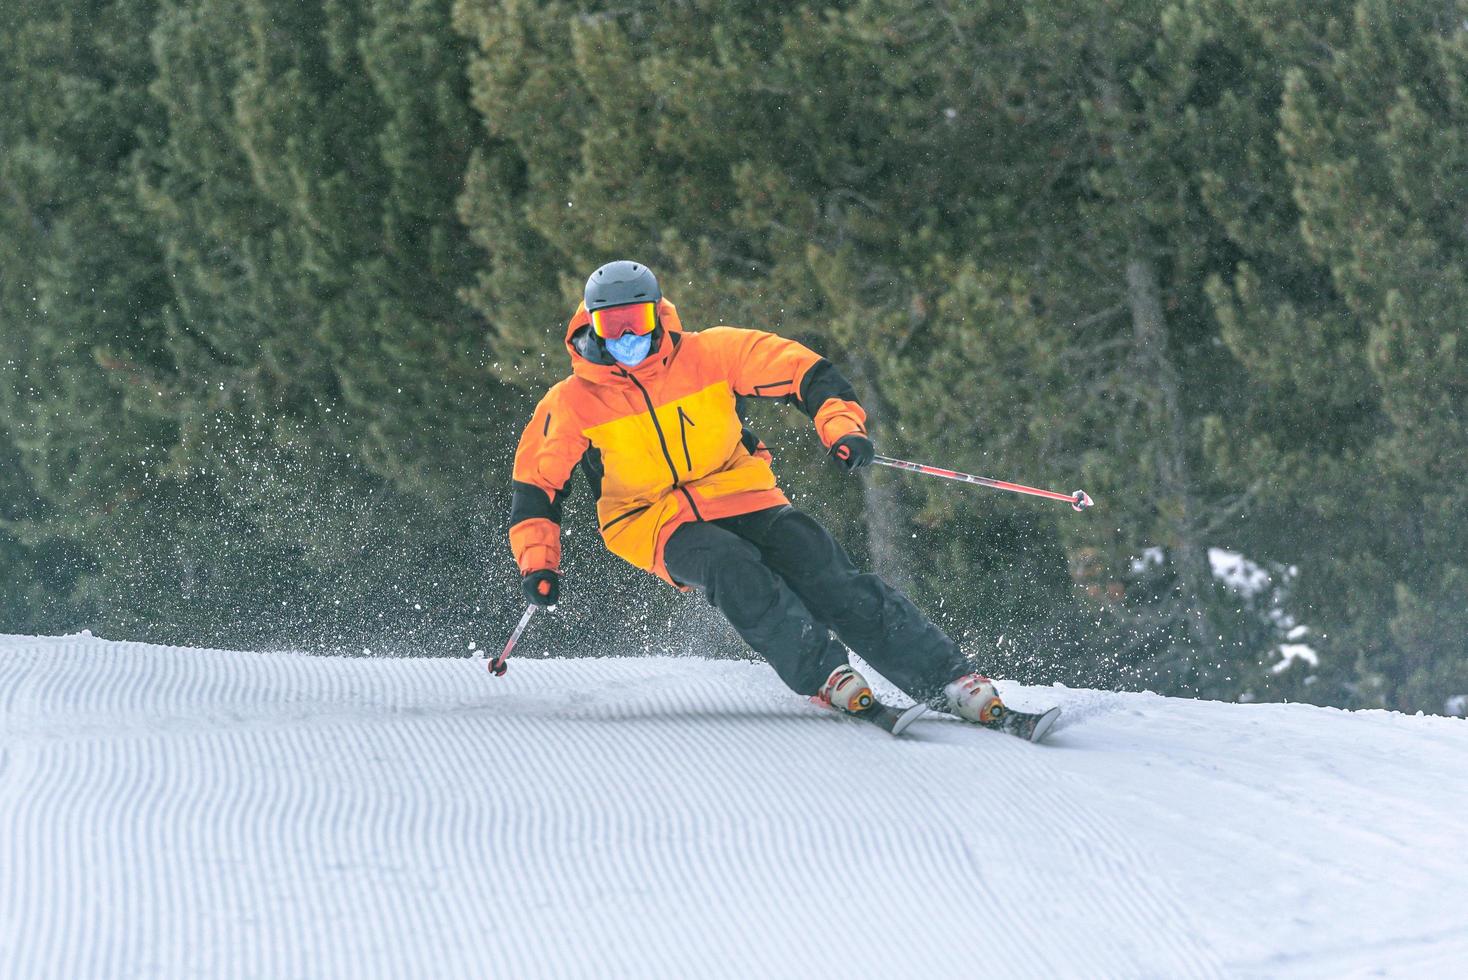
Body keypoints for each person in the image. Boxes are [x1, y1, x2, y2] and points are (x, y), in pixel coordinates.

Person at [508, 260, 1009, 725]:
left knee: (824, 571)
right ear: (589, 326)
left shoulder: (710, 353)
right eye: (610, 325)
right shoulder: (572, 402)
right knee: (731, 567)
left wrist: (840, 427)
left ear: (658, 313)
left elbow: (802, 370)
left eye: (635, 320)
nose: (625, 336)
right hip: (651, 519)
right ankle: (824, 674)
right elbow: (537, 485)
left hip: (743, 492)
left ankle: (949, 679)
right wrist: (540, 563)